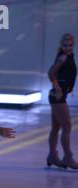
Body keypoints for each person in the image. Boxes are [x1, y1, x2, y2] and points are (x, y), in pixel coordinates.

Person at [47, 33, 77, 169]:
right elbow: (51, 73)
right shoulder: (63, 57)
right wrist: (58, 87)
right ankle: (68, 157)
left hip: (57, 95)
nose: (67, 48)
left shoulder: (69, 56)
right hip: (58, 97)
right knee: (67, 127)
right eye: (65, 45)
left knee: (56, 128)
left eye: (70, 45)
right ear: (61, 45)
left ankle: (52, 156)